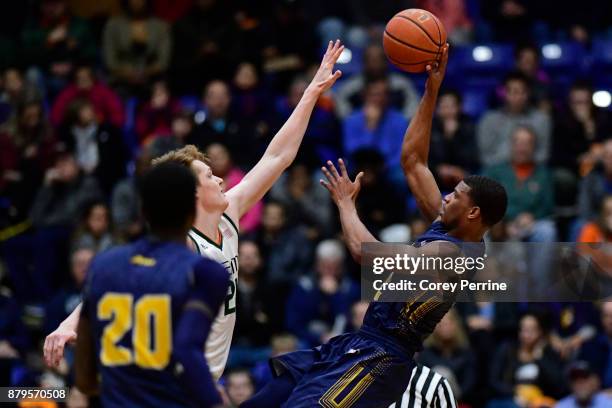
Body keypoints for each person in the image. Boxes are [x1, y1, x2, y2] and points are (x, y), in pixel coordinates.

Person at [45, 40, 346, 381]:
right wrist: (69, 324)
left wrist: (312, 91)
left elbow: (277, 157)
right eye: (208, 175)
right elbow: (114, 280)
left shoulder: (229, 213)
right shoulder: (181, 244)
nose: (219, 178)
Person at [241, 45, 508, 408]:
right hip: (355, 345)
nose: (446, 197)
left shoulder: (452, 255)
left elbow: (367, 257)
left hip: (378, 362)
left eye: (456, 195)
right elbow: (414, 162)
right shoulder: (448, 225)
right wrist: (432, 89)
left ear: (474, 213)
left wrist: (346, 205)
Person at [74, 163, 229, 407]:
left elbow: (84, 379)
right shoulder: (205, 272)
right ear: (192, 210)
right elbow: (186, 350)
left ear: (143, 211)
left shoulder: (102, 265)